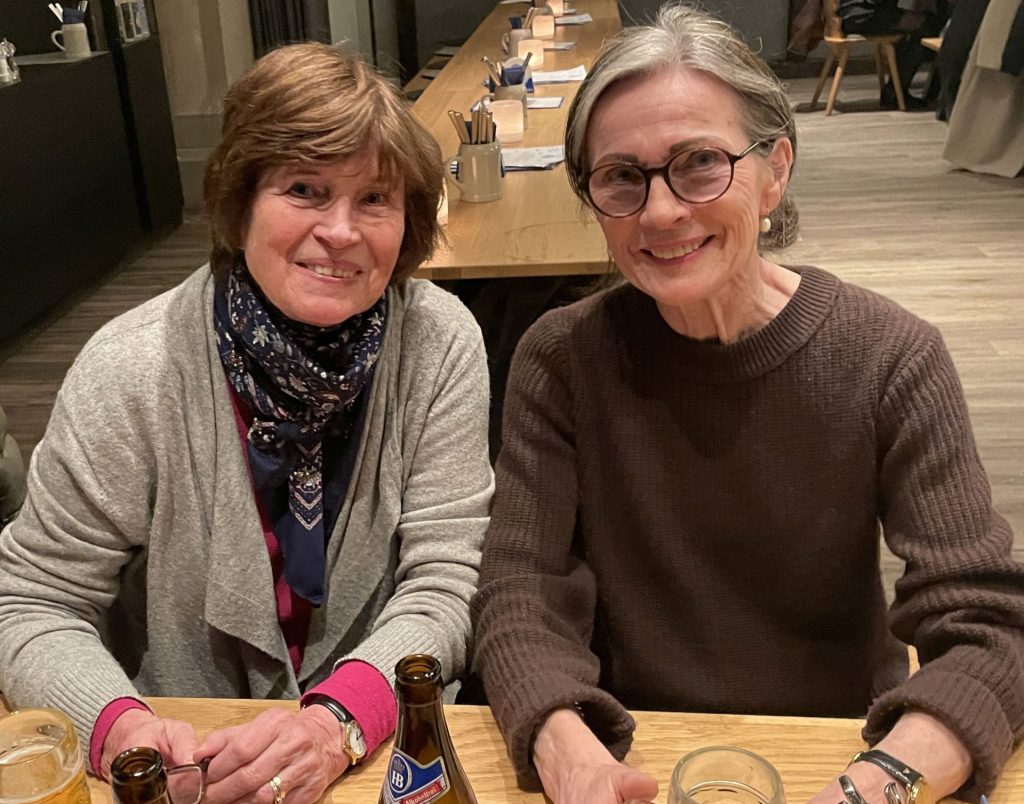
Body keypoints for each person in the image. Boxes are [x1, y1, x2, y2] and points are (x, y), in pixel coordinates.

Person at [471, 5, 1024, 804]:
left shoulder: (892, 356)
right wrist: (571, 757)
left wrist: (878, 784)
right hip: (633, 744)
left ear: (775, 171)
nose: (660, 211)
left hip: (840, 752)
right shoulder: (560, 358)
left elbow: (988, 625)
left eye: (700, 163)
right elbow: (520, 591)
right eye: (621, 176)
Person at [0, 43, 493, 804]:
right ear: (240, 201)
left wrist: (338, 720)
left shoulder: (439, 342)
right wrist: (119, 728)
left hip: (380, 753)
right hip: (186, 759)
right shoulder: (131, 368)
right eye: (304, 189)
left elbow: (447, 580)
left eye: (375, 199)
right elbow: (33, 600)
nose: (341, 231)